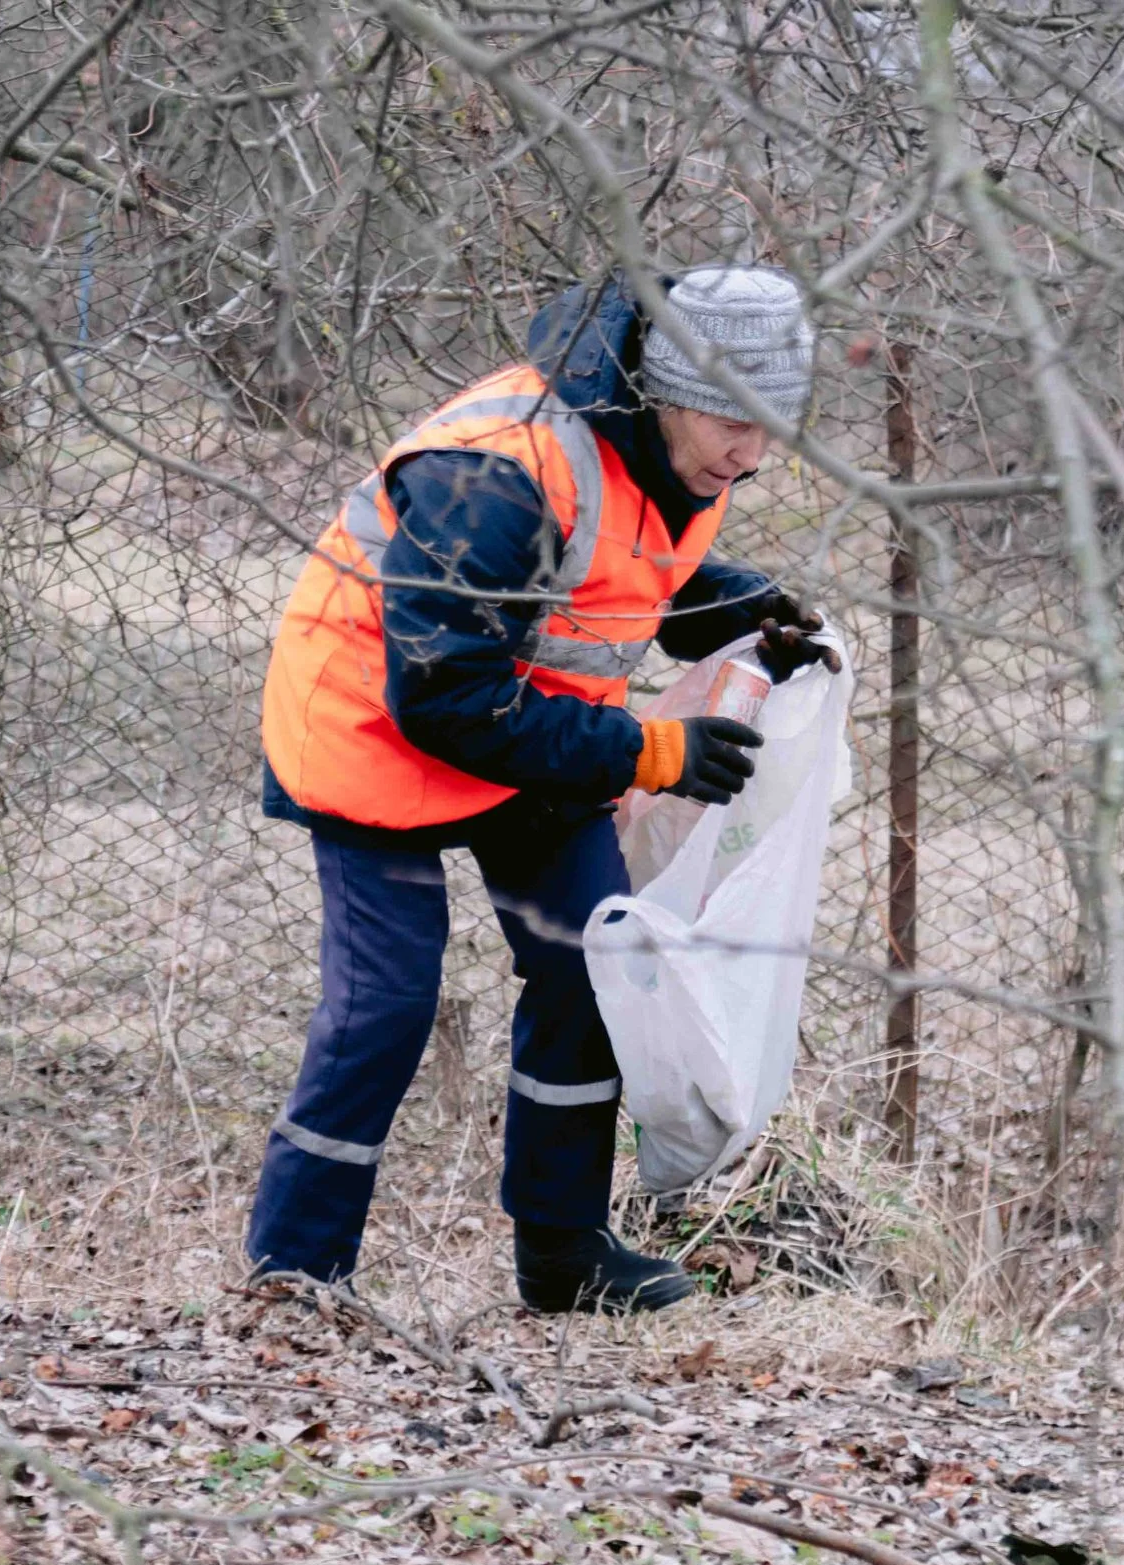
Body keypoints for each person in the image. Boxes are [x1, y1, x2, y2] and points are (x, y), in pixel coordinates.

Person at [248, 263, 840, 1314]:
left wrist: (747, 612)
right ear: (664, 389)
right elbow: (444, 695)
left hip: (525, 722)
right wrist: (647, 752)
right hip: (374, 724)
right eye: (731, 420)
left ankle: (563, 1258)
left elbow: (618, 575)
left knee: (592, 971)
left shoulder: (680, 459)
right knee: (385, 1004)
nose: (752, 452)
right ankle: (295, 1275)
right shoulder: (493, 472)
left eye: (774, 422)